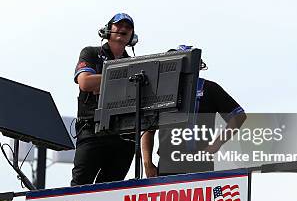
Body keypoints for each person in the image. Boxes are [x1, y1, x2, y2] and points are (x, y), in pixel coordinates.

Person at [141, 46, 246, 177]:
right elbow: (148, 129)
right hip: (168, 162)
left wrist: (216, 145)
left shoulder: (209, 88)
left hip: (200, 161)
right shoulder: (160, 92)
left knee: (199, 198)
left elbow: (238, 115)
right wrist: (147, 163)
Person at [71, 13, 138, 186]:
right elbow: (85, 82)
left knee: (111, 189)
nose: (123, 29)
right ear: (108, 29)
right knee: (80, 186)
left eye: (128, 27)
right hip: (91, 130)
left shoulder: (135, 64)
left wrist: (101, 82)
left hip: (122, 136)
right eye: (119, 25)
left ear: (133, 36)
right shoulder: (91, 53)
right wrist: (122, 77)